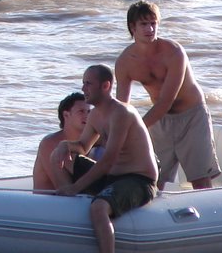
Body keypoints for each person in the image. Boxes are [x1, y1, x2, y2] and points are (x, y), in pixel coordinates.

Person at [114, 0, 221, 190]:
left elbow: (166, 101)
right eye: (144, 24)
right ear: (132, 27)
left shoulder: (174, 52)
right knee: (154, 178)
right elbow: (122, 107)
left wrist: (136, 128)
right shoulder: (125, 62)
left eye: (153, 23)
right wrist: (114, 135)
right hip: (159, 121)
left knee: (200, 179)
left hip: (192, 116)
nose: (150, 29)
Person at [51, 64, 158, 253]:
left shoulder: (121, 113)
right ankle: (68, 204)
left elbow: (108, 160)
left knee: (98, 208)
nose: (83, 89)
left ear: (106, 86)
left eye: (88, 84)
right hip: (112, 179)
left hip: (139, 180)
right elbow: (83, 147)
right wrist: (64, 145)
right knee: (58, 156)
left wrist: (76, 186)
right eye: (83, 83)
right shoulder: (95, 115)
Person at [33, 92, 94, 190]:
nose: (87, 116)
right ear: (66, 115)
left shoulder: (90, 142)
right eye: (81, 111)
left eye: (89, 112)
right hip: (50, 202)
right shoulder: (50, 143)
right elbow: (61, 186)